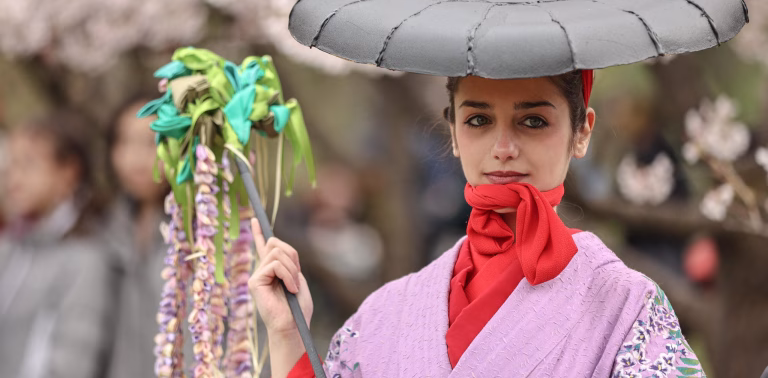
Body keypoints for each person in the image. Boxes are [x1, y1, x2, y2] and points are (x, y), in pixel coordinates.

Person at [250, 71, 705, 377]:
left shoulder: (625, 307)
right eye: (479, 120)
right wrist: (289, 332)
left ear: (582, 131)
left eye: (532, 120)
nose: (503, 147)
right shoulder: (386, 311)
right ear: (452, 131)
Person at [0, 112, 115, 378]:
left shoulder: (87, 258)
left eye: (28, 165)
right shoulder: (11, 247)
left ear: (68, 173)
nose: (14, 179)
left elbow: (74, 363)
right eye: (11, 167)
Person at [102, 95, 192, 378]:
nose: (135, 159)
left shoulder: (204, 235)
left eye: (152, 143)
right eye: (124, 142)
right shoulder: (103, 229)